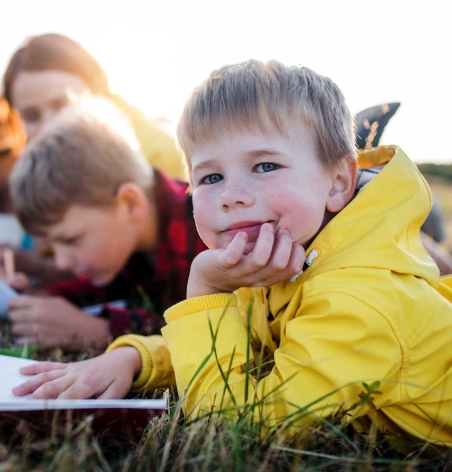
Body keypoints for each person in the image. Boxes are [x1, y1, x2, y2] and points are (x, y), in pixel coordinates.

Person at [13, 60, 452, 454]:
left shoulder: (361, 299)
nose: (231, 197)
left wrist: (205, 288)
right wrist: (132, 357)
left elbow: (235, 425)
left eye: (265, 166)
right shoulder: (289, 255)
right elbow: (245, 338)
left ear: (337, 183)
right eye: (211, 176)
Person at [7, 100, 205, 350]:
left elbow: (211, 330)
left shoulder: (204, 229)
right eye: (53, 248)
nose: (62, 262)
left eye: (70, 240)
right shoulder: (123, 240)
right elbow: (88, 290)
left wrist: (95, 331)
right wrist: (37, 300)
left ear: (130, 204)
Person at [3, 33, 185, 179]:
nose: (49, 127)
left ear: (98, 89)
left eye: (63, 106)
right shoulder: (21, 178)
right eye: (31, 116)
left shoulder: (161, 157)